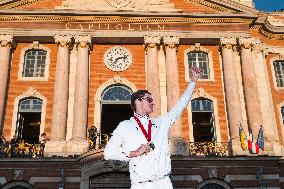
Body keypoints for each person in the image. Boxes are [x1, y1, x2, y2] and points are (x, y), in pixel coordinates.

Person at [104, 67, 201, 189]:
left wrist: (193, 82)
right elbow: (108, 152)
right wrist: (134, 153)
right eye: (149, 100)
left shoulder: (161, 122)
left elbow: (180, 106)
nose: (152, 103)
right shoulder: (125, 126)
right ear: (138, 102)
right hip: (141, 185)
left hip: (164, 182)